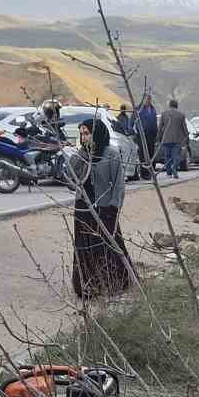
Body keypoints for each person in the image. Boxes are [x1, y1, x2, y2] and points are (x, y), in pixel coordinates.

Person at [69, 119, 133, 298]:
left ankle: (113, 283)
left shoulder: (111, 154)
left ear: (97, 133)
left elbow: (119, 184)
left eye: (87, 133)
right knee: (84, 246)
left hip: (105, 208)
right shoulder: (81, 155)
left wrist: (114, 206)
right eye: (82, 134)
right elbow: (70, 177)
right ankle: (88, 286)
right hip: (83, 207)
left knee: (107, 245)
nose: (84, 137)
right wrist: (78, 155)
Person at [157, 97, 189, 180]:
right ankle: (174, 167)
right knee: (176, 155)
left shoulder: (164, 114)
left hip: (166, 139)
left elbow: (160, 127)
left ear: (169, 105)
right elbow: (184, 128)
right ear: (177, 105)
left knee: (167, 156)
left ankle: (168, 172)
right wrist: (186, 137)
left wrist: (159, 138)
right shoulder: (181, 115)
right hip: (177, 139)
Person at [136, 93, 158, 165]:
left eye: (149, 99)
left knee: (151, 153)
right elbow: (132, 121)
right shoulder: (139, 109)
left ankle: (151, 169)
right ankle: (144, 171)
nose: (148, 100)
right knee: (143, 154)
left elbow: (155, 122)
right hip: (142, 135)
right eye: (146, 99)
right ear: (143, 99)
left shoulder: (153, 109)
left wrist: (156, 133)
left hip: (152, 135)